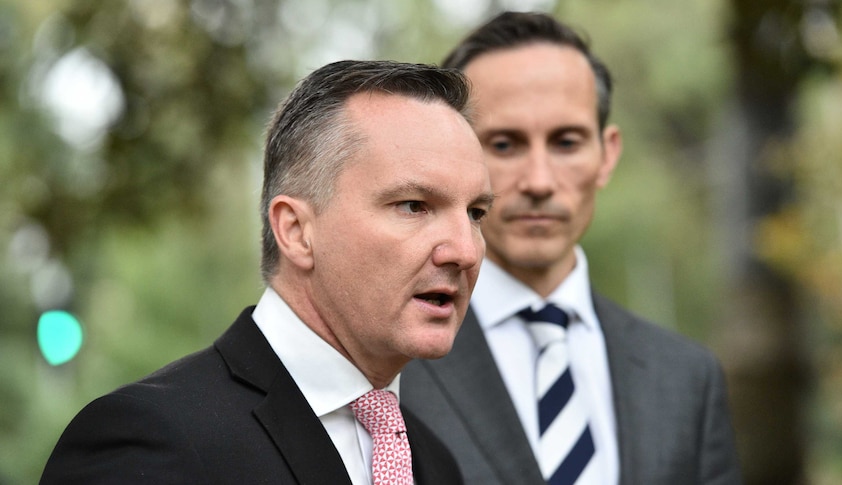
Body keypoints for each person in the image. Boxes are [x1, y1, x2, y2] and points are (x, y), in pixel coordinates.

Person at [40, 59, 494, 484]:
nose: (465, 250)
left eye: (475, 213)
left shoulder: (433, 463)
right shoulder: (150, 441)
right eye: (414, 206)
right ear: (295, 231)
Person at [401, 11, 743, 485]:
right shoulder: (393, 365)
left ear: (607, 154)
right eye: (503, 144)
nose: (539, 181)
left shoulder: (686, 378)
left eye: (566, 142)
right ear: (453, 155)